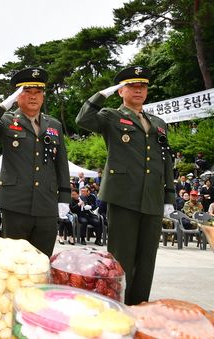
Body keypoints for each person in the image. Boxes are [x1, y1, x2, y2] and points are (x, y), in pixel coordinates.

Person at [76, 65, 175, 305]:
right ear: (121, 91)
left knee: (146, 259)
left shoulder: (158, 122)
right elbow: (83, 119)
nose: (139, 90)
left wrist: (169, 197)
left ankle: (139, 306)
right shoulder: (111, 116)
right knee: (121, 258)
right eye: (132, 86)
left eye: (142, 86)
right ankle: (116, 306)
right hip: (123, 195)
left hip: (152, 197)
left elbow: (166, 160)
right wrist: (103, 93)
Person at [0, 67, 70, 257]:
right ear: (18, 96)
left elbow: (61, 164)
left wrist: (64, 198)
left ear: (43, 96)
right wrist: (3, 106)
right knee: (15, 261)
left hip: (46, 202)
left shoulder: (54, 125)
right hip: (15, 202)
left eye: (38, 92)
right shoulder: (7, 121)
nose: (33, 96)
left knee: (42, 260)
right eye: (27, 92)